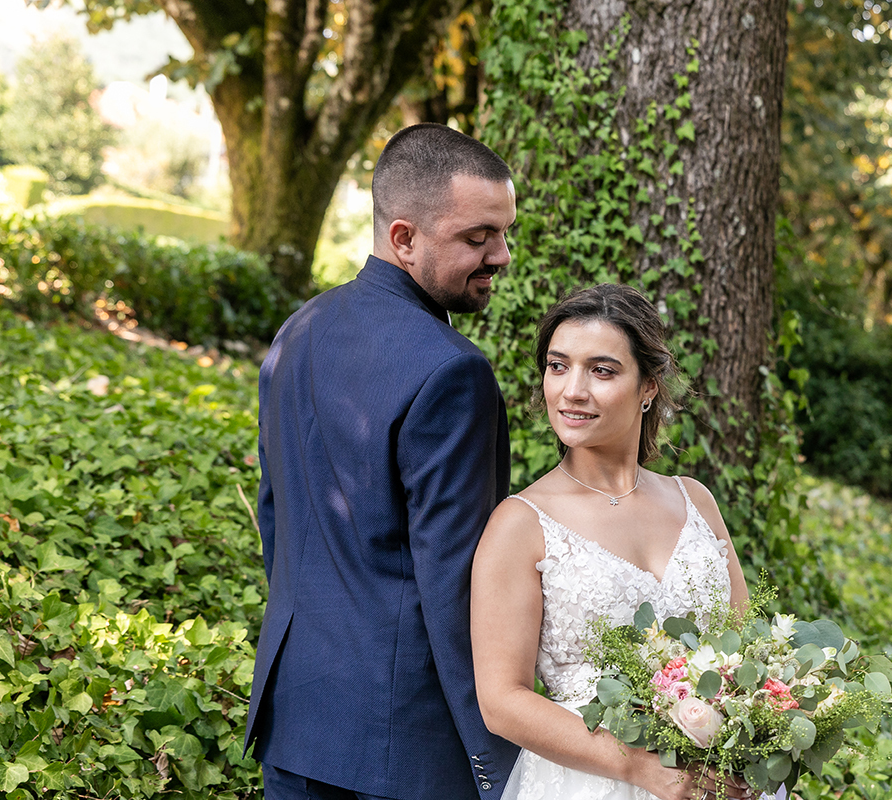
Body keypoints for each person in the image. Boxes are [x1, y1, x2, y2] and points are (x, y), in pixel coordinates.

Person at [245, 123, 520, 800]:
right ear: (404, 238)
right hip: (404, 752)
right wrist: (497, 762)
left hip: (294, 721)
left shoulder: (299, 329)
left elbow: (278, 524)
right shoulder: (454, 372)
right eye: (478, 237)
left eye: (505, 233)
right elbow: (455, 583)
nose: (502, 255)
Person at [470, 284, 755, 800]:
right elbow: (501, 702)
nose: (572, 390)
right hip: (587, 783)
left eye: (601, 370)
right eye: (558, 366)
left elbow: (747, 650)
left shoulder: (696, 500)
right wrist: (638, 768)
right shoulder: (520, 524)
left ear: (648, 386)